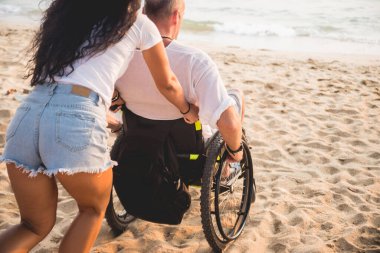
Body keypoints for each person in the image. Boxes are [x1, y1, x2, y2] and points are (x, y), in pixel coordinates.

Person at [0, 0, 198, 252]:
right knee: (93, 209)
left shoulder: (72, 17)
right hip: (74, 118)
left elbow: (75, 81)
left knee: (32, 226)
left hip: (27, 115)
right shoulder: (137, 21)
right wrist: (187, 109)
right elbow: (168, 83)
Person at [112, 0, 245, 162]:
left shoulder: (119, 57)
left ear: (144, 15)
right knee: (237, 95)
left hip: (140, 151)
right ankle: (229, 165)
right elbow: (229, 124)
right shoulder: (194, 60)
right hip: (192, 160)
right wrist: (237, 152)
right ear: (176, 16)